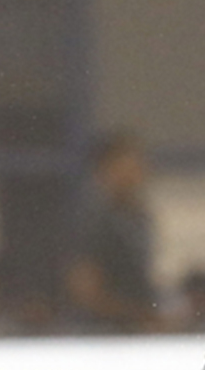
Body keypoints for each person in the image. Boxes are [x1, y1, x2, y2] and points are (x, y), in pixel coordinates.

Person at [65, 131, 162, 332]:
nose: (136, 172)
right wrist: (141, 316)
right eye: (127, 165)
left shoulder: (138, 217)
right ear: (104, 169)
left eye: (138, 163)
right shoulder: (93, 219)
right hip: (100, 332)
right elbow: (85, 291)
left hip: (135, 327)